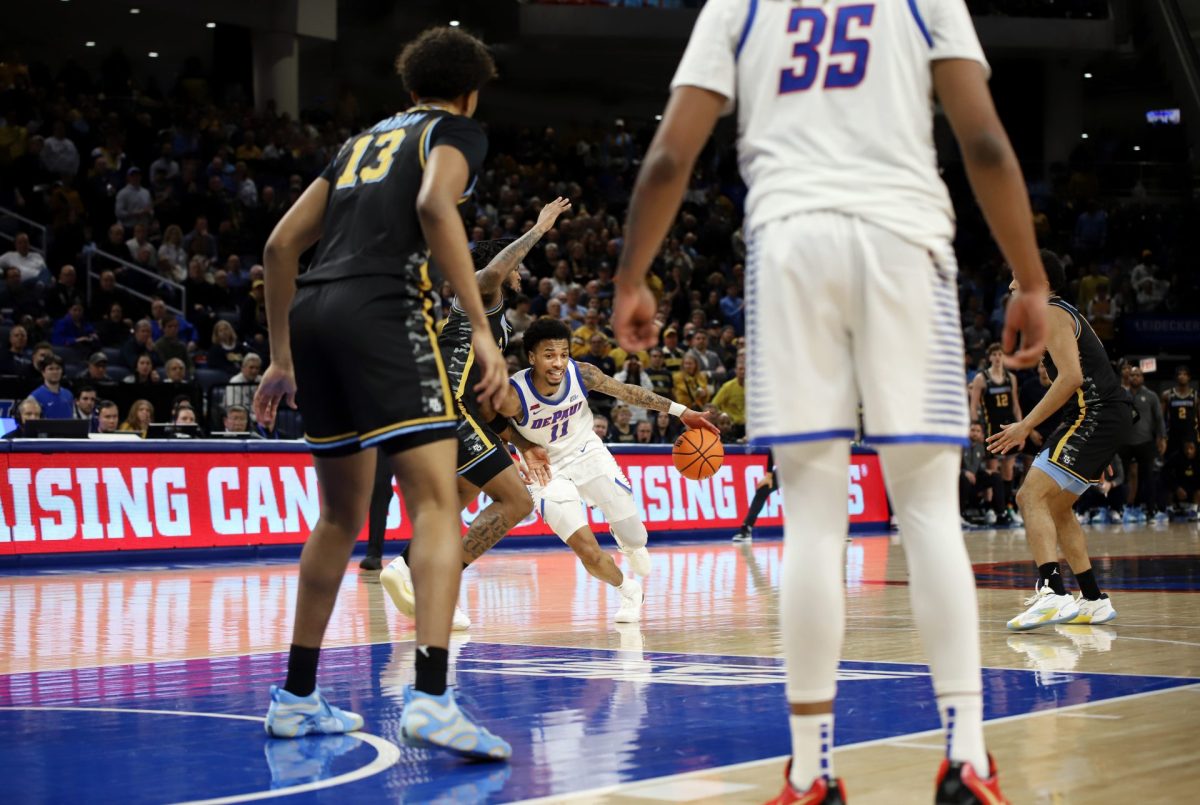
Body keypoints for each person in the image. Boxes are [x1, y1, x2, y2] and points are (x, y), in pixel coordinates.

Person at [613, 1, 1049, 800]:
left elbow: (669, 159)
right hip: (905, 241)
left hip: (791, 244)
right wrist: (1030, 278)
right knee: (928, 513)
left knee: (814, 520)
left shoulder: (737, 7)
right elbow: (983, 142)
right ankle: (967, 757)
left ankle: (812, 771)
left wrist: (632, 275)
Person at [250, 27, 511, 759]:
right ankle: (430, 695)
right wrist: (483, 330)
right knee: (435, 498)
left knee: (337, 515)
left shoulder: (360, 143)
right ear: (471, 90)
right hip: (385, 311)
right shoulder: (454, 130)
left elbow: (278, 246)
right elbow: (435, 205)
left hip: (312, 315)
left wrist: (279, 358)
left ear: (407, 89)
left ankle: (296, 698)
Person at [379, 199, 570, 616]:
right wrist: (539, 229)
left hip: (448, 406)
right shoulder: (480, 292)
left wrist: (517, 442)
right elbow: (493, 271)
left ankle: (406, 567)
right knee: (518, 502)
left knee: (462, 494)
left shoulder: (494, 318)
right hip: (447, 406)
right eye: (515, 266)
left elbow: (487, 397)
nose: (518, 273)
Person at [497, 318, 717, 623]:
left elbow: (626, 391)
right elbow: (490, 425)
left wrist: (682, 412)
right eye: (549, 355)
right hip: (547, 471)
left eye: (563, 353)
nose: (558, 362)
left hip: (589, 453)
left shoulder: (581, 373)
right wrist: (520, 450)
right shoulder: (512, 394)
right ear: (532, 357)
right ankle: (629, 591)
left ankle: (626, 539)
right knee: (586, 550)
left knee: (637, 537)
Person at [988, 251, 1129, 635]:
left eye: (1019, 277)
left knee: (1028, 496)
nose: (1013, 285)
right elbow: (1083, 374)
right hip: (1100, 415)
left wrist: (1025, 425)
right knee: (1057, 506)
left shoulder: (1049, 312)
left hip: (1095, 413)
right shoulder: (1061, 312)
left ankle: (1052, 590)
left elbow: (1071, 379)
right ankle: (1094, 599)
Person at [968, 343, 1022, 523]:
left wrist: (1021, 427)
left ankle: (1007, 508)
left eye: (1001, 354)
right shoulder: (981, 378)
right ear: (989, 357)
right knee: (992, 471)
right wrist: (976, 426)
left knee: (1008, 471)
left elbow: (1015, 404)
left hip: (1008, 428)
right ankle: (991, 508)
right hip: (990, 428)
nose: (998, 357)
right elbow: (973, 406)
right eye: (995, 354)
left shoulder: (1011, 378)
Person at [733, 449, 775, 543]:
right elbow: (774, 446)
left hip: (810, 467)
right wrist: (769, 475)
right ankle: (747, 528)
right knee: (763, 489)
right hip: (788, 468)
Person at [1162, 366, 1198, 462]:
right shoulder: (1167, 395)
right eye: (1179, 374)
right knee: (1172, 462)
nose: (1182, 376)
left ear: (1189, 377)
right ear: (1176, 377)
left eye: (1184, 374)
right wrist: (1162, 436)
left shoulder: (1195, 395)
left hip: (1190, 435)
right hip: (1173, 434)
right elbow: (1161, 418)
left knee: (1190, 463)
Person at [30, 354, 76, 419]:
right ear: (43, 372)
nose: (55, 372)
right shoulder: (35, 397)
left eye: (58, 368)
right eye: (51, 369)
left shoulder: (69, 395)